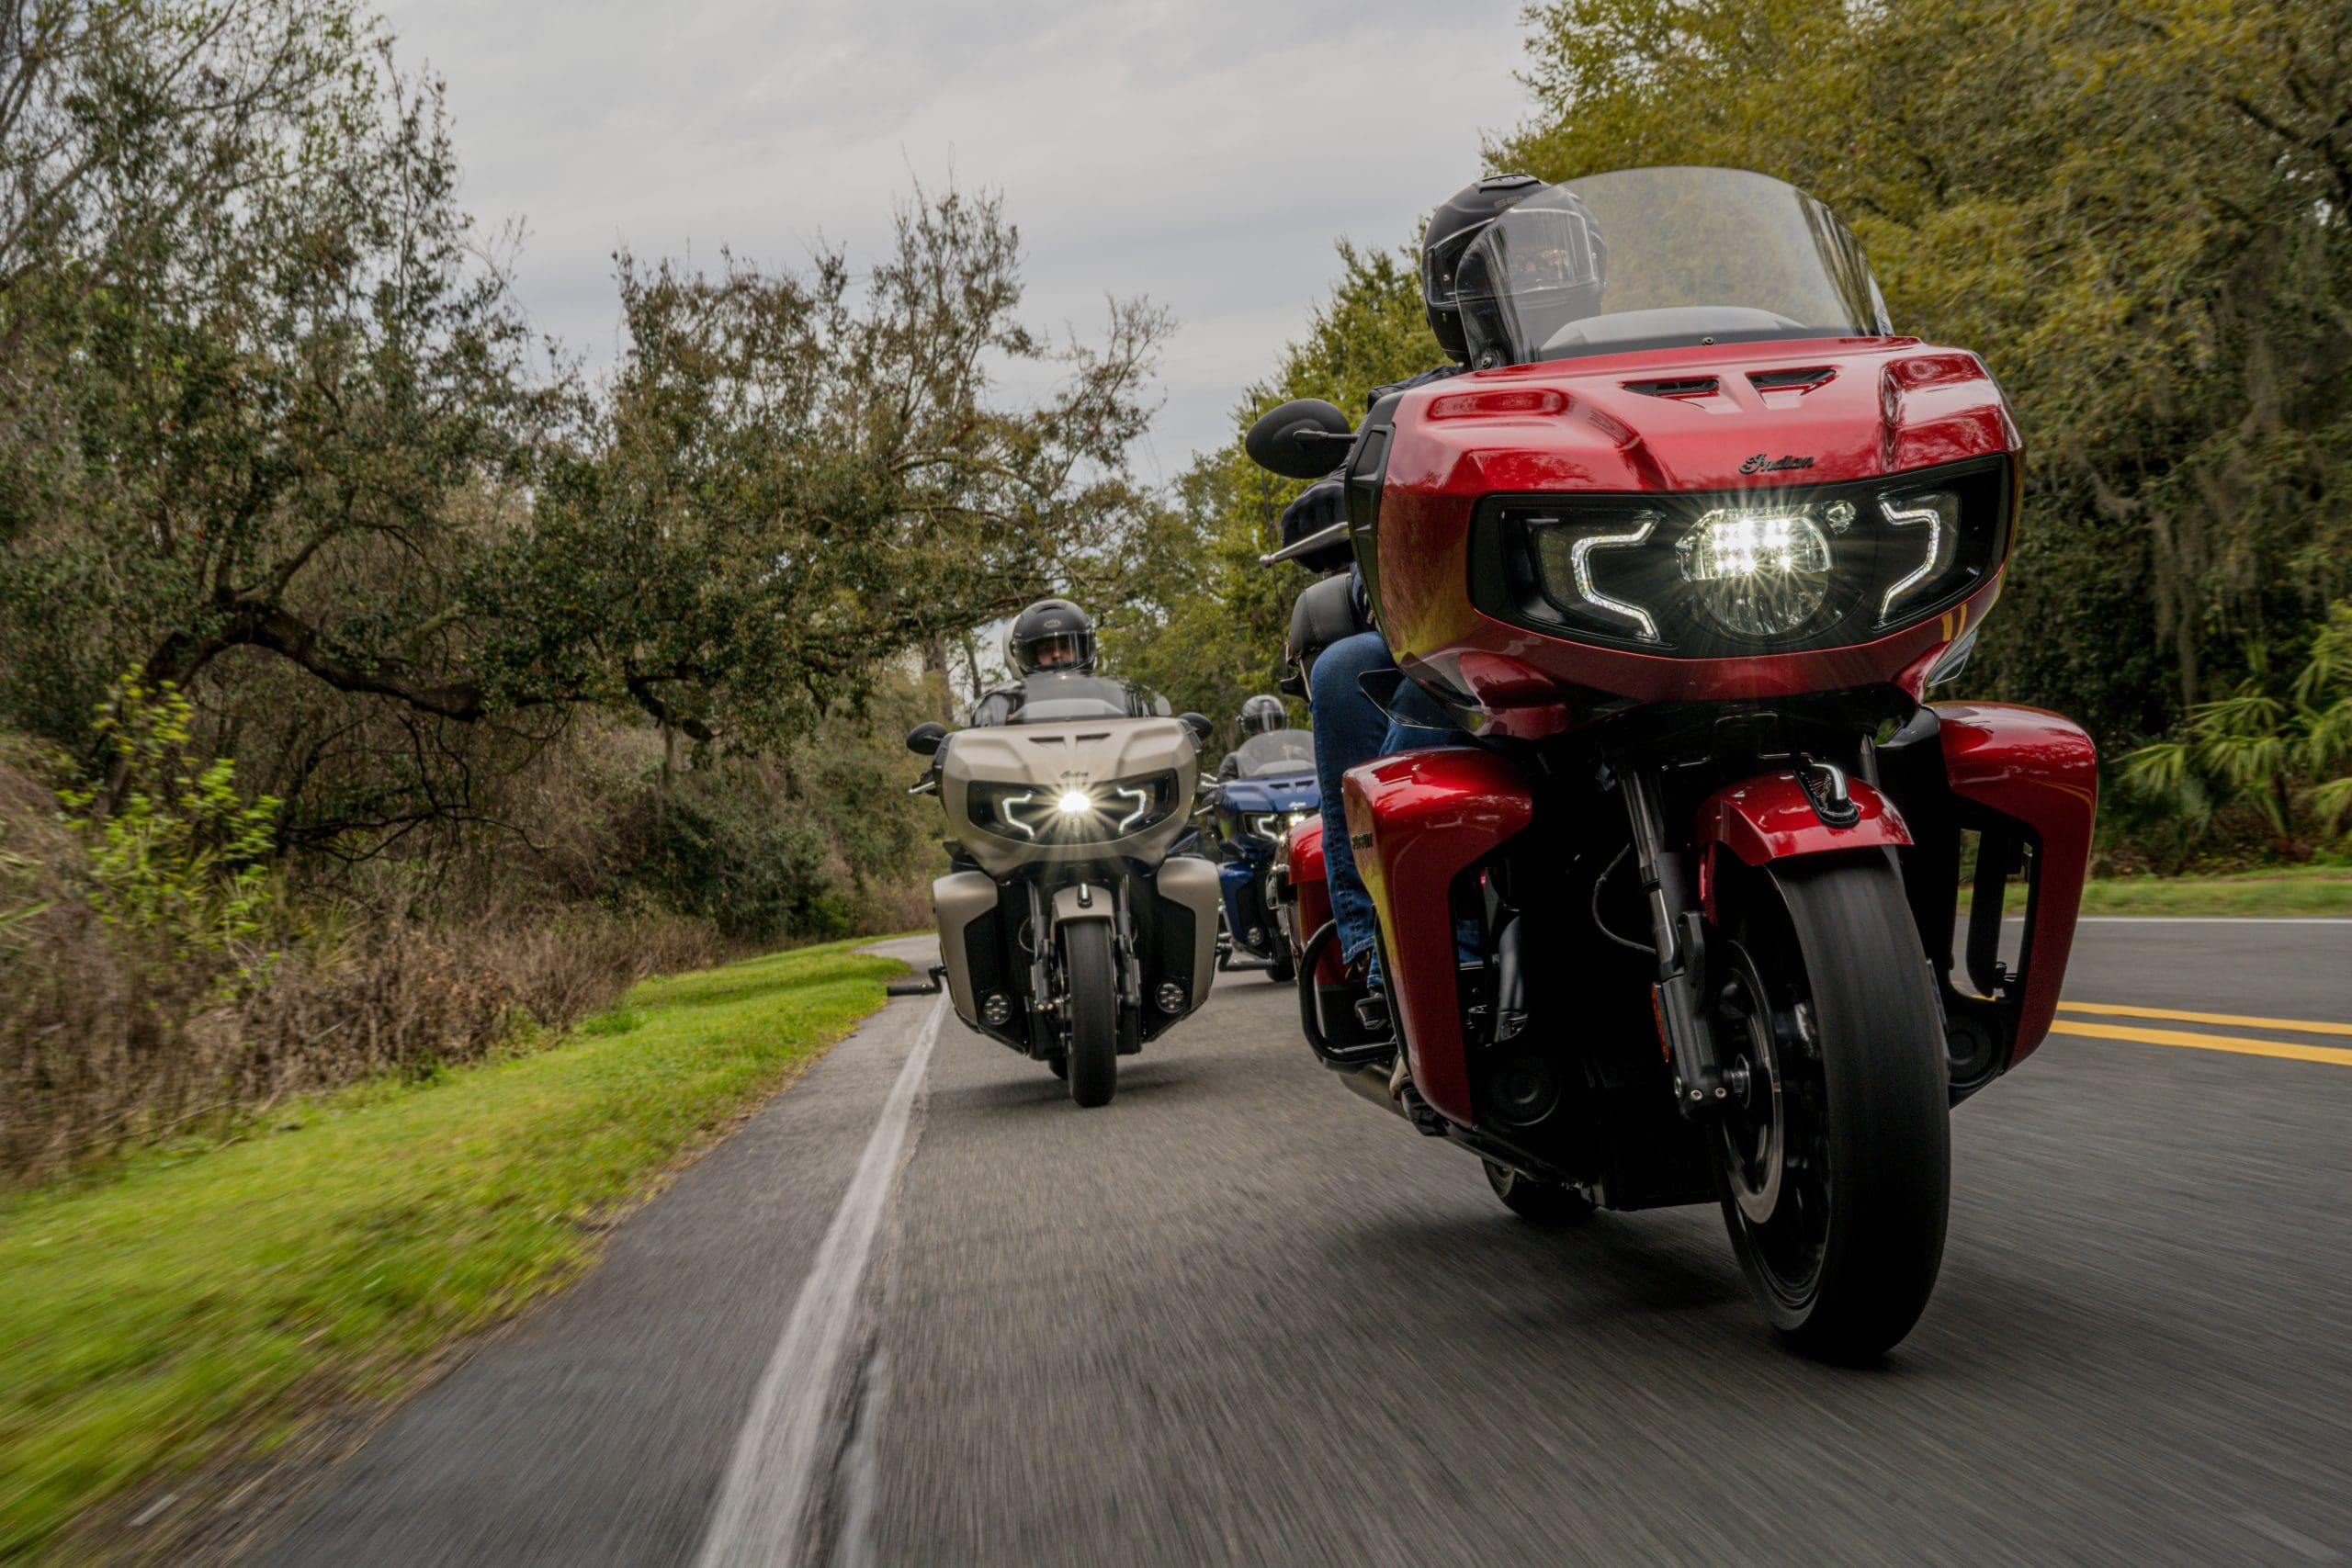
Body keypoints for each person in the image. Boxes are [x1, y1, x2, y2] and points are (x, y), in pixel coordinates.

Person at [1305, 173, 1603, 994]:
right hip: (1500, 650)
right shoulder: (1417, 411)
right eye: (1509, 262)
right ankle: (1401, 951)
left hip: (1634, 632)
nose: (1537, 275)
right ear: (1456, 291)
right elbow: (1386, 575)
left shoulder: (1643, 375)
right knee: (1353, 672)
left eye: (1553, 253)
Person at [967, 598, 1159, 727]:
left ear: (1084, 647)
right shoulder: (1002, 706)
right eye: (1046, 650)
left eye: (1067, 647)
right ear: (1028, 656)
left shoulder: (1122, 697)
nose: (1057, 656)